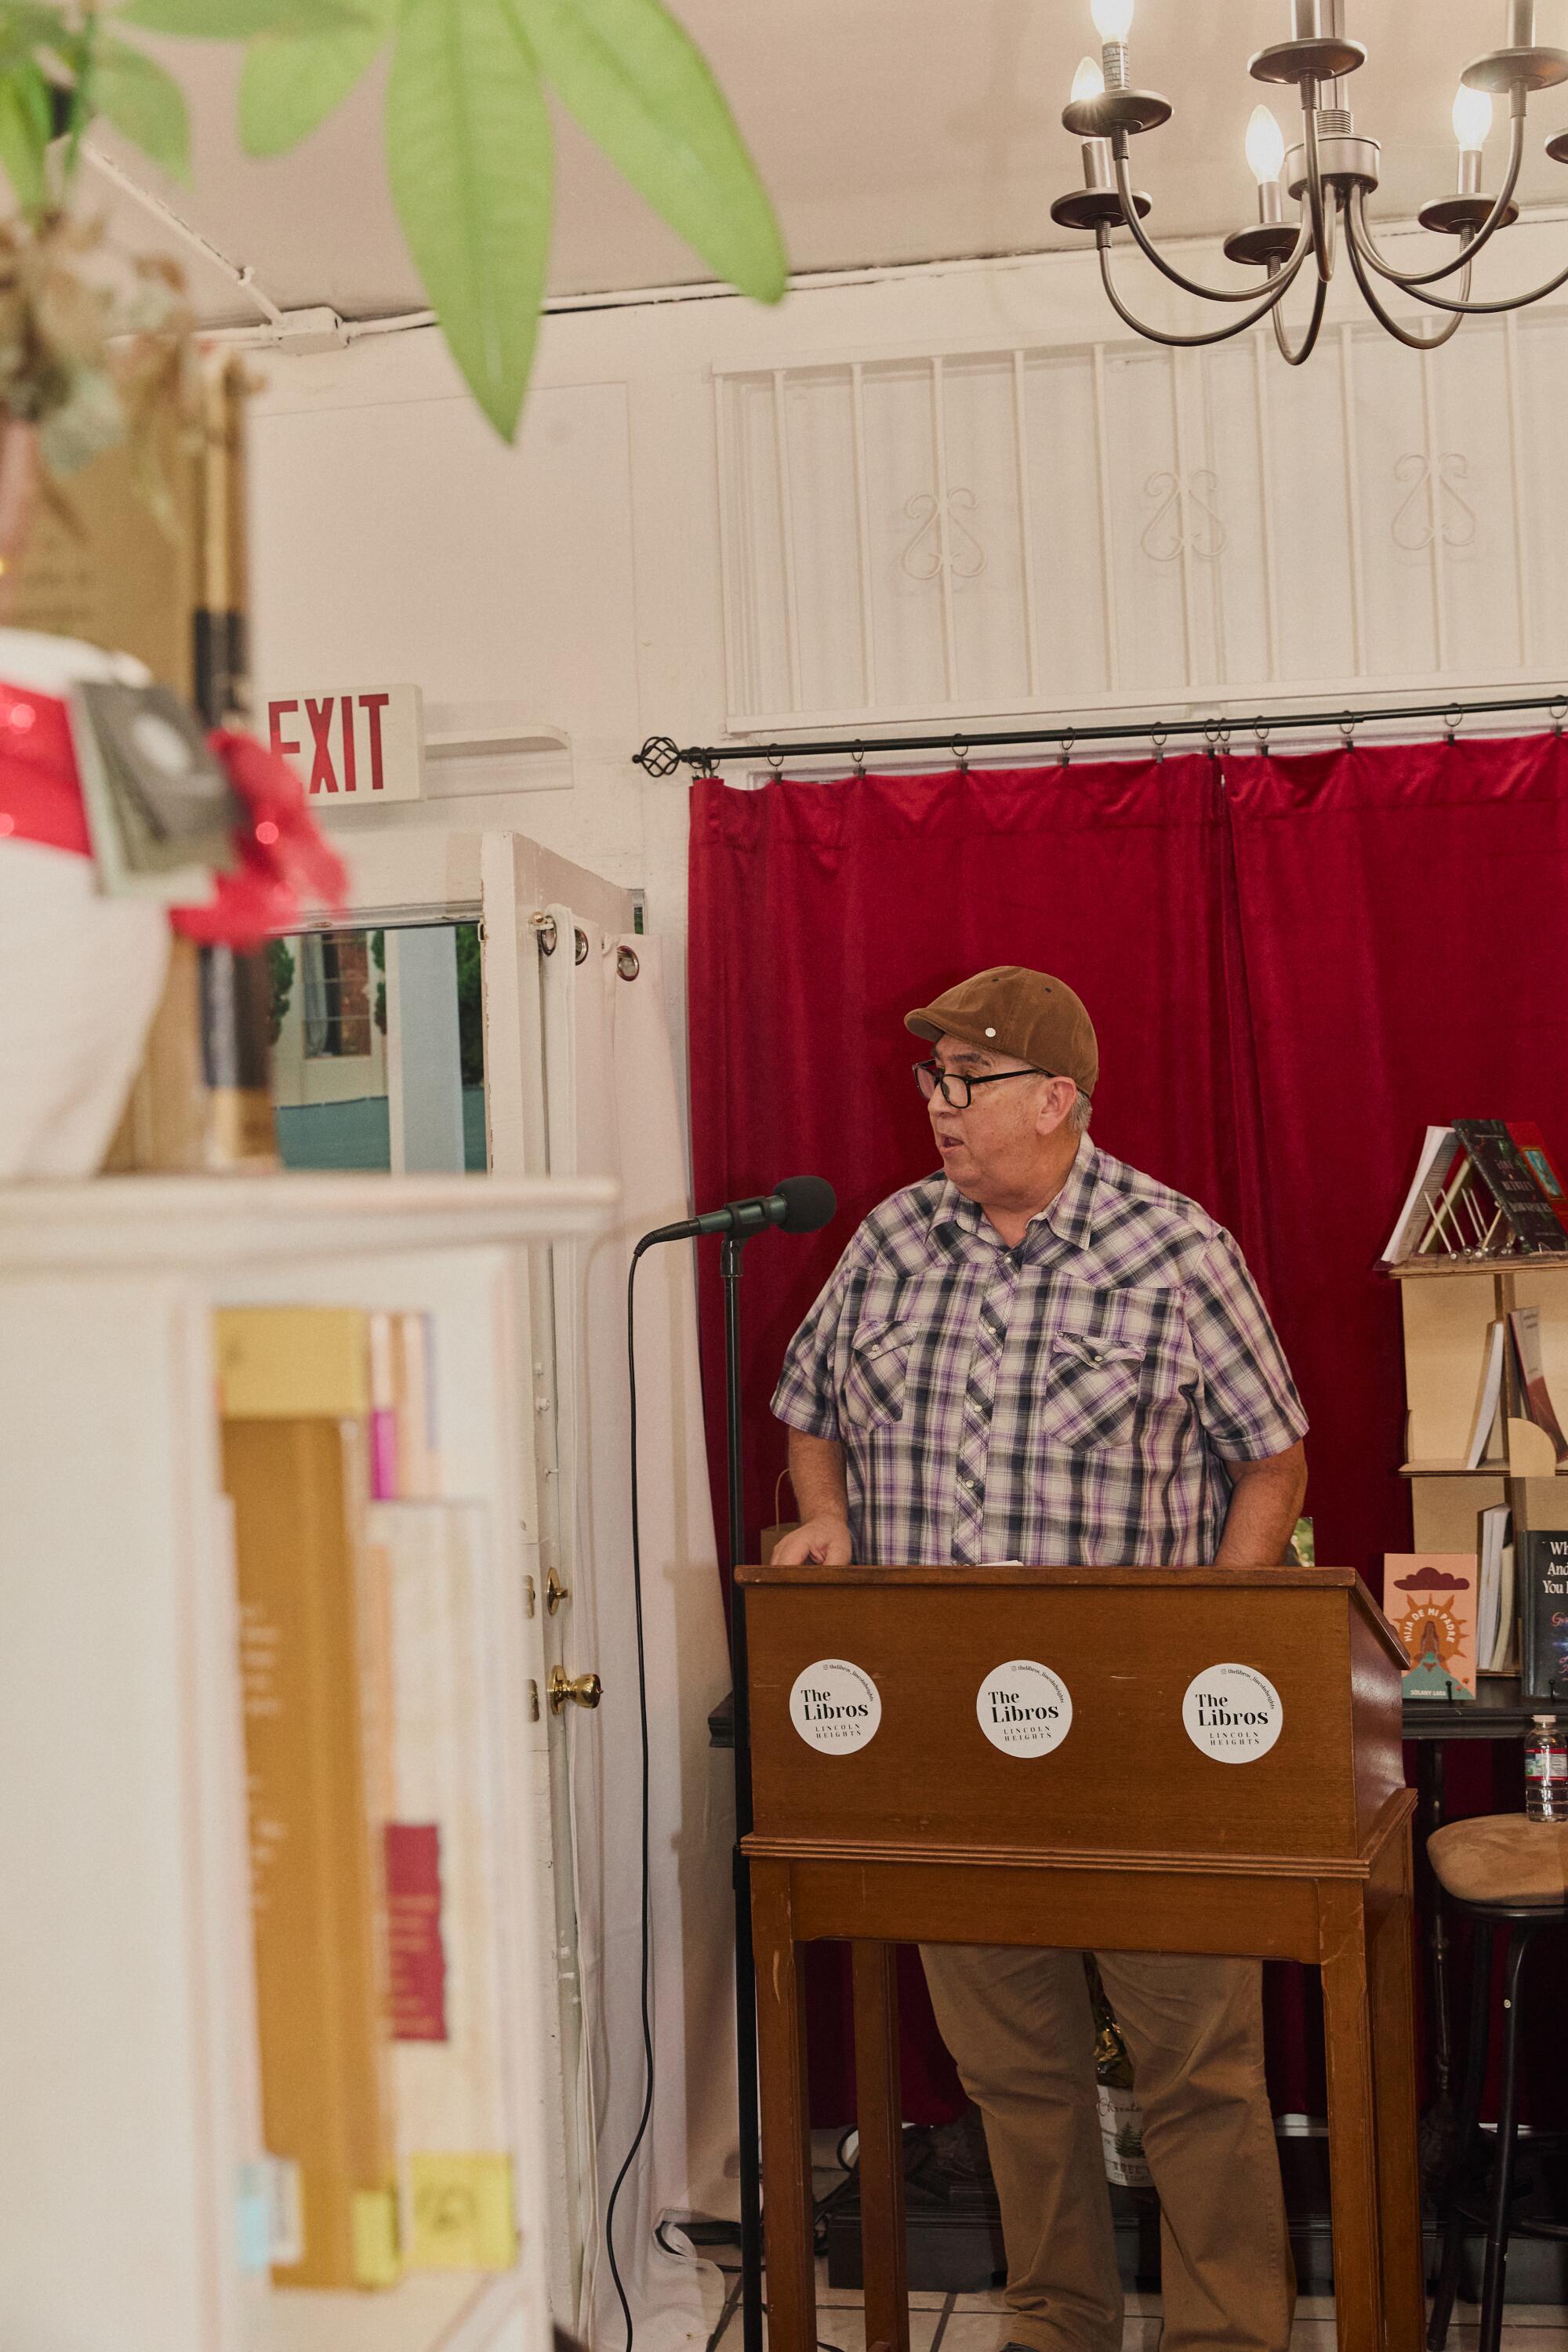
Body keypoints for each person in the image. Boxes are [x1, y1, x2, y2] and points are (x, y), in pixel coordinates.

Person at [770, 964, 1308, 2352]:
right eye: (930, 1082)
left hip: (1141, 1752)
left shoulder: (1176, 1250)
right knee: (1015, 2074)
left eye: (965, 1083)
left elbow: (1274, 1458)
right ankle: (1055, 2325)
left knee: (1196, 2073)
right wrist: (822, 1517)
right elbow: (808, 1402)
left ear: (1057, 1100)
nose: (937, 1109)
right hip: (949, 1749)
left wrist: (1213, 1643)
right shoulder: (892, 1241)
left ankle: (1229, 2339)